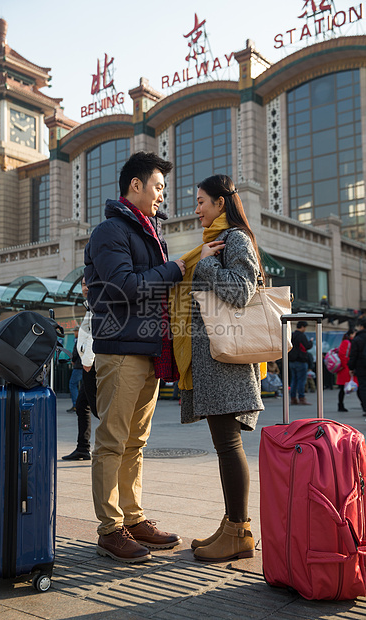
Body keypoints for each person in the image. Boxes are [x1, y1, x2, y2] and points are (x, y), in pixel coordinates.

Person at [84, 151, 185, 563]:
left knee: (135, 443)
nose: (162, 195)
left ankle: (134, 517)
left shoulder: (149, 233)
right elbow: (124, 286)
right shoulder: (110, 231)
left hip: (148, 348)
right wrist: (174, 269)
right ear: (135, 186)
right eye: (158, 186)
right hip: (121, 349)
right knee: (112, 440)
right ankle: (110, 529)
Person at [169, 174, 264, 562]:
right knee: (224, 445)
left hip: (227, 361)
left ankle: (240, 531)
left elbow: (243, 291)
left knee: (229, 444)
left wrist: (205, 266)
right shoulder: (215, 243)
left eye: (202, 201)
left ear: (221, 203)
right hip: (214, 361)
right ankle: (231, 526)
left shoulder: (236, 239)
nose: (197, 209)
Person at [62, 277, 98, 461]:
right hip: (88, 362)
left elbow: (95, 333)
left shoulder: (97, 302)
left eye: (88, 283)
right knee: (83, 404)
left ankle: (115, 447)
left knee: (98, 408)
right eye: (83, 284)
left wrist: (88, 359)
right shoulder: (89, 304)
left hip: (91, 364)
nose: (85, 287)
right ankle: (83, 447)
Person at [288, 321, 313, 405]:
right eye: (305, 327)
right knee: (301, 380)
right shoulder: (301, 336)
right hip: (301, 361)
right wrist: (311, 342)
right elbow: (307, 346)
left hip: (292, 361)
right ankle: (301, 398)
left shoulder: (292, 335)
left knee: (294, 380)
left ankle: (293, 398)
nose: (305, 329)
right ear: (302, 327)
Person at [348, 318, 366, 414]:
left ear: (361, 326)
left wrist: (351, 367)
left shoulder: (357, 339)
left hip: (361, 367)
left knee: (363, 387)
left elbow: (353, 355)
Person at [336, 329, 356, 412]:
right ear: (351, 334)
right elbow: (343, 355)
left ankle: (341, 405)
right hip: (345, 369)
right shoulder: (347, 342)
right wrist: (347, 366)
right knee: (343, 388)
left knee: (344, 388)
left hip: (345, 368)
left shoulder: (346, 342)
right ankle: (340, 405)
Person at [66, 326, 83, 413]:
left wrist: (73, 360)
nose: (74, 333)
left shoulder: (79, 340)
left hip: (79, 366)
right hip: (85, 366)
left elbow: (76, 353)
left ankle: (76, 404)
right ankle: (86, 404)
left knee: (72, 384)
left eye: (75, 331)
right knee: (85, 386)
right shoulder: (85, 340)